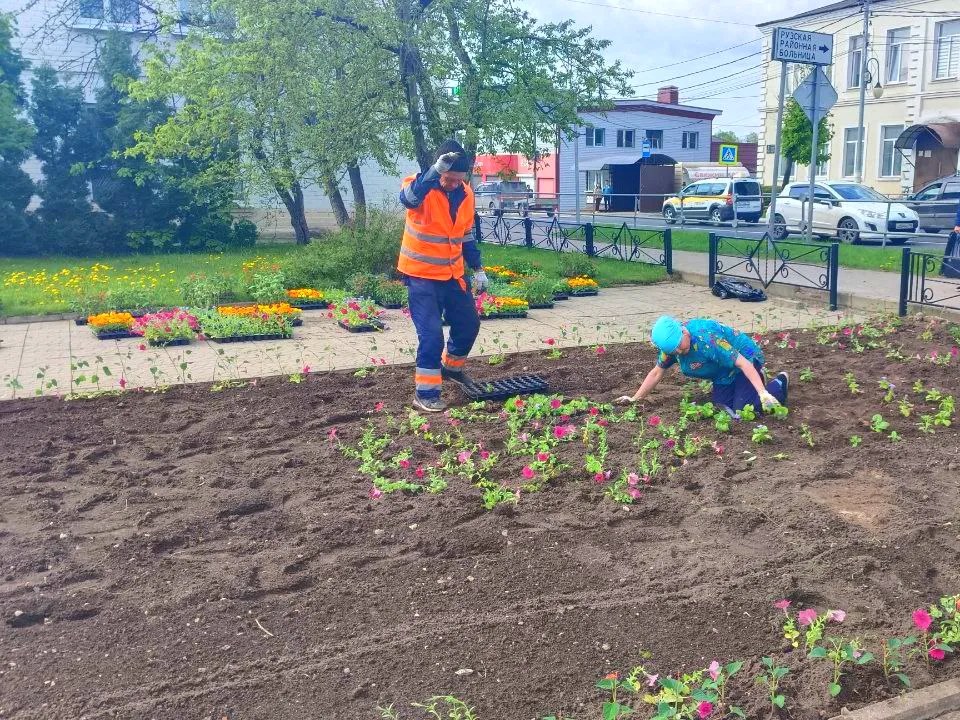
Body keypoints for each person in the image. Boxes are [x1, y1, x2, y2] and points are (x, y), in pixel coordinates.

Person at [398, 139, 488, 413]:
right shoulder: (419, 185)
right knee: (432, 335)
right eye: (448, 179)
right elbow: (408, 200)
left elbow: (466, 234)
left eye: (458, 180)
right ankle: (425, 393)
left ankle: (452, 369)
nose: (452, 184)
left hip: (452, 275)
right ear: (439, 170)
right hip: (421, 275)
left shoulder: (466, 193)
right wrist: (435, 173)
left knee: (469, 324)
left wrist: (478, 268)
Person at [616, 315, 788, 415]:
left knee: (745, 410)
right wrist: (634, 399)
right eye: (674, 351)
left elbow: (742, 363)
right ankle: (749, 384)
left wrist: (762, 392)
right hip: (722, 371)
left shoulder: (708, 340)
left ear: (683, 331)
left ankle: (779, 383)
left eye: (679, 346)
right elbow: (656, 372)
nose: (679, 352)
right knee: (725, 408)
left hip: (746, 359)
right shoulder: (671, 348)